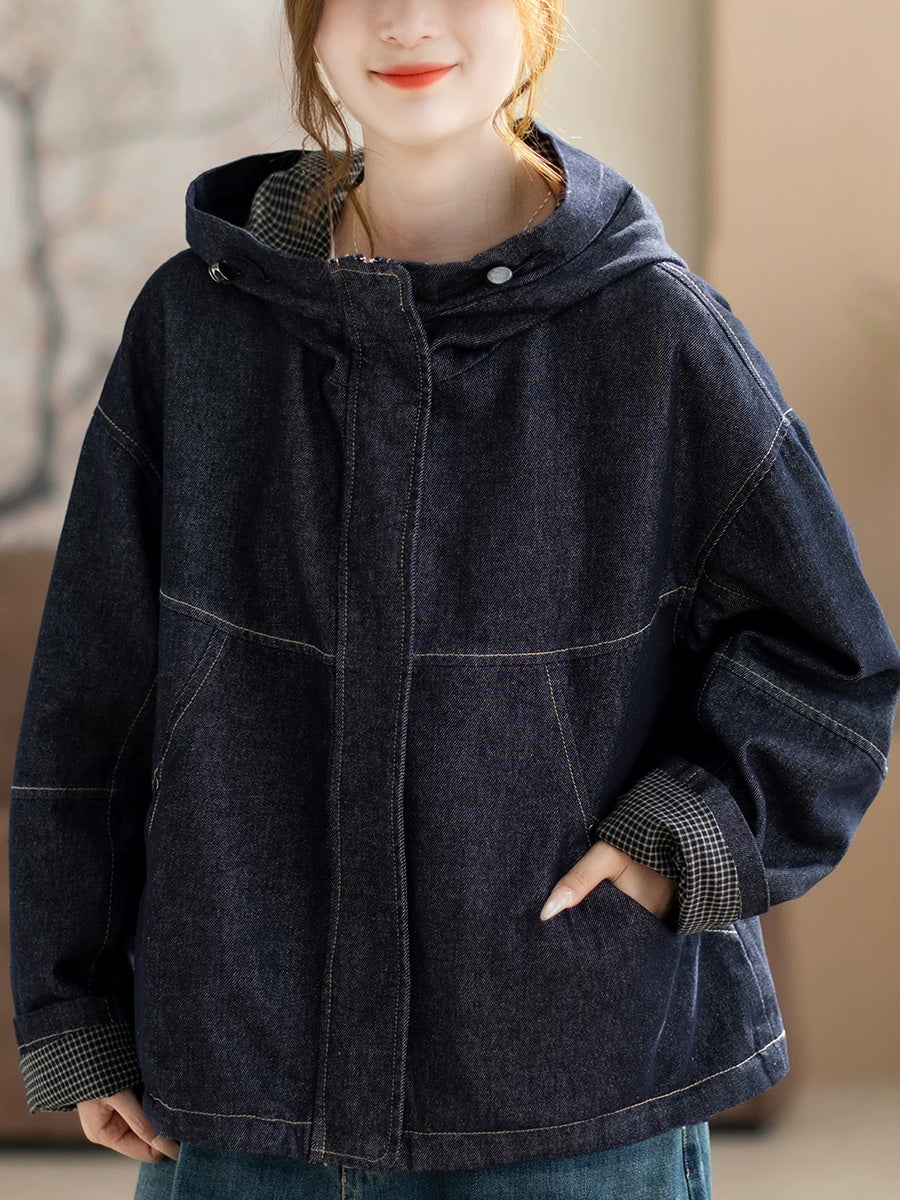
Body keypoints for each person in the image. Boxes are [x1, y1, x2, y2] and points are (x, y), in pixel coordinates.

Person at [8, 0, 900, 1197]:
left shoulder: (656, 330)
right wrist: (73, 1003)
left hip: (576, 1083)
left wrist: (671, 846)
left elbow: (831, 666)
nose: (406, 19)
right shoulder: (196, 325)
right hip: (242, 1081)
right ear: (309, 24)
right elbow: (93, 696)